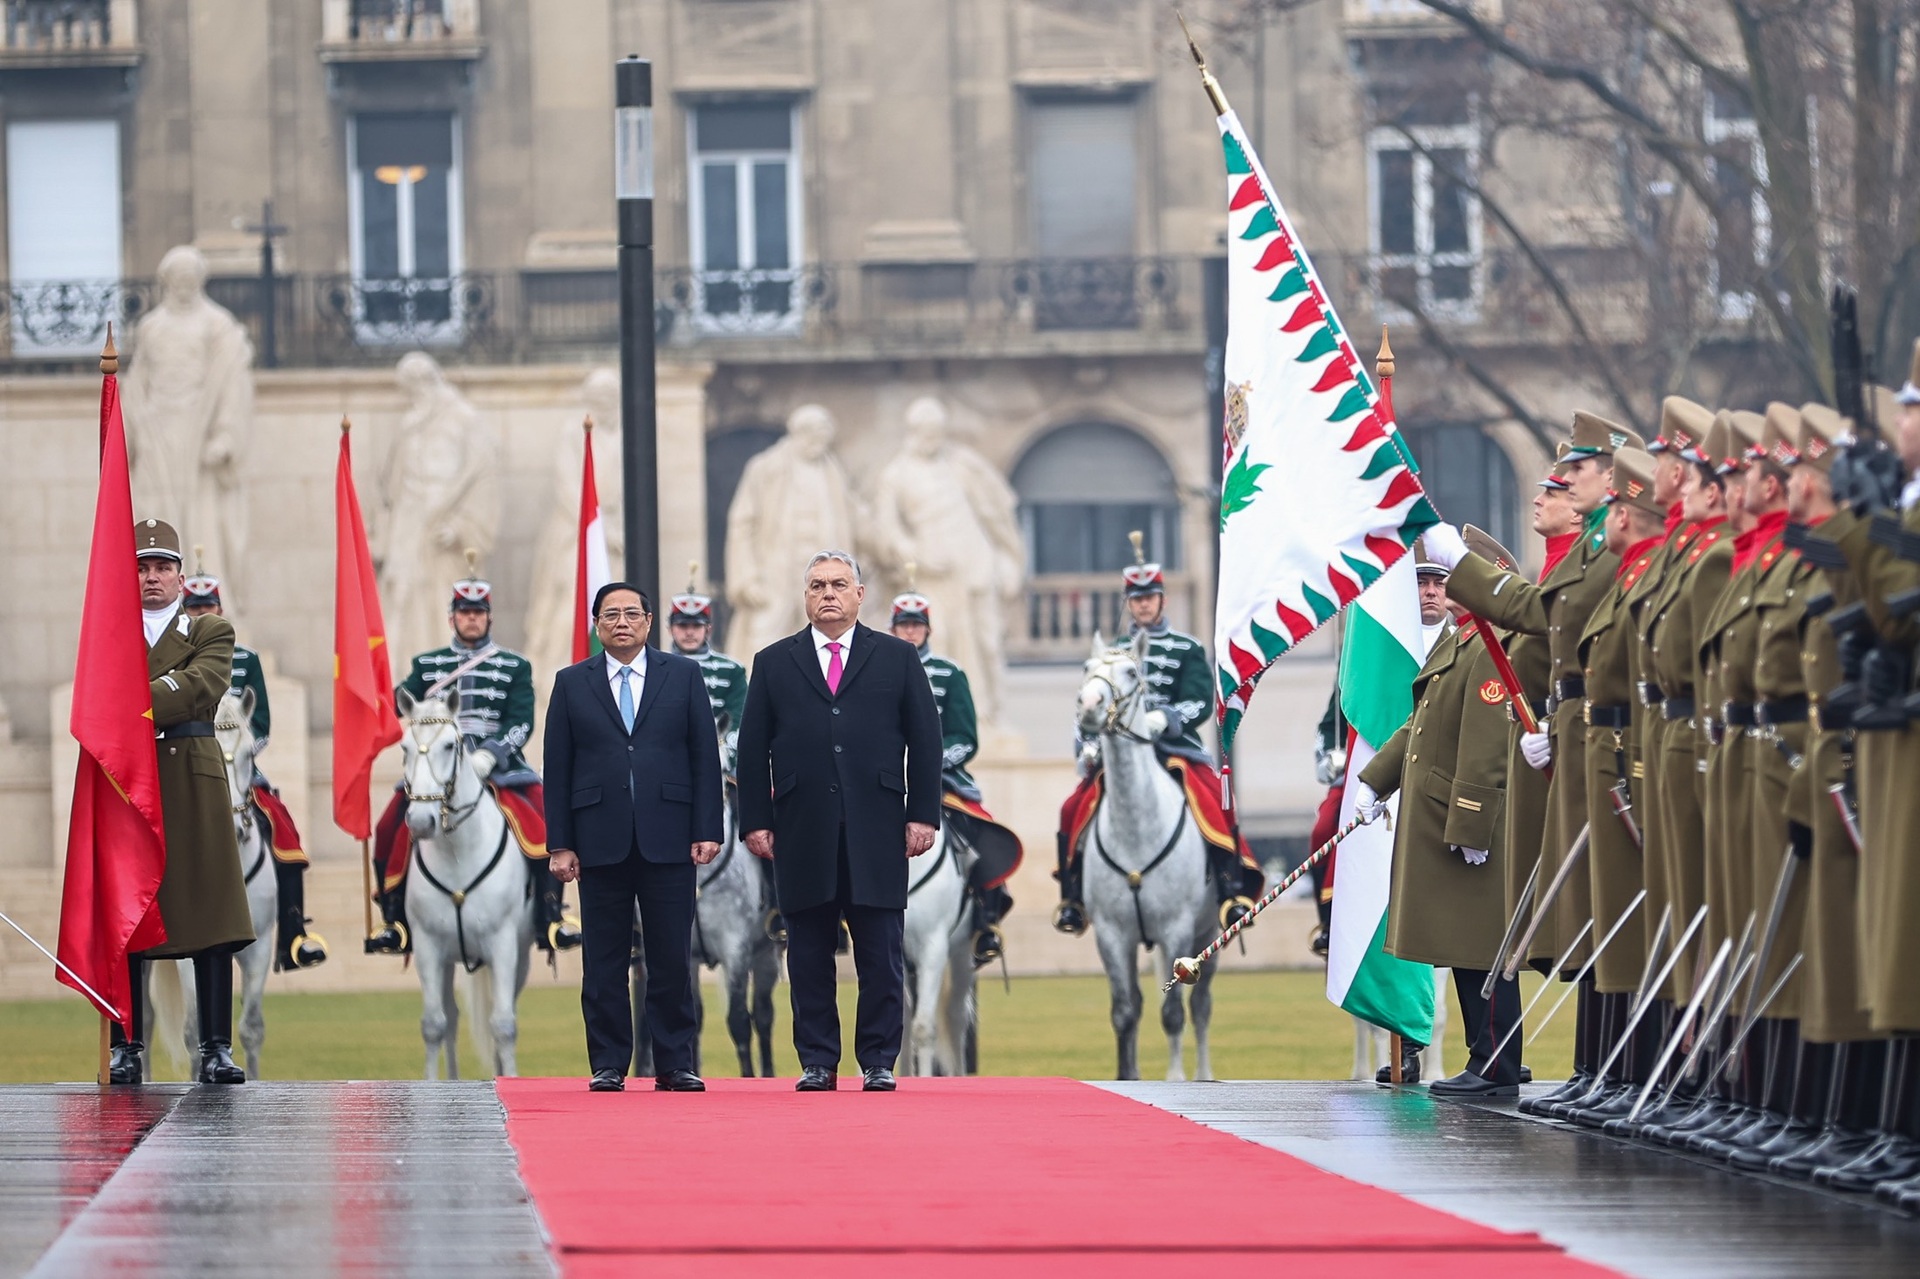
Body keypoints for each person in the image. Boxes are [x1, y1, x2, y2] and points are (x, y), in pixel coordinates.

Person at [1422, 411, 1642, 1117]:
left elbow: (1539, 620)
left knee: (1615, 910)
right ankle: (1601, 1067)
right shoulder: (1585, 555)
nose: (1554, 488)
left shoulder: (1605, 552)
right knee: (1594, 906)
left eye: (1569, 474)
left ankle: (1624, 1071)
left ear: (1612, 478)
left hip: (1617, 742)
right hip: (1576, 736)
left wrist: (1461, 568)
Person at [735, 550, 943, 1092]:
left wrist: (922, 814)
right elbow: (752, 751)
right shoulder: (774, 661)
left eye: (838, 584)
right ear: (804, 596)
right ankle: (818, 1061)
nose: (827, 593)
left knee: (880, 951)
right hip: (802, 828)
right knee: (807, 953)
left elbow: (925, 742)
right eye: (816, 585)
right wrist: (755, 819)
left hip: (877, 827)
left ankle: (878, 1059)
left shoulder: (897, 657)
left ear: (859, 594)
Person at [1352, 536, 1521, 1097]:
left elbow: (1485, 743)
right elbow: (1419, 727)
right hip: (1440, 813)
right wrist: (1376, 779)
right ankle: (1488, 1056)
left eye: (1458, 576)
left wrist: (1472, 821)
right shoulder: (1462, 642)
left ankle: (1496, 1061)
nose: (1445, 586)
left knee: (1479, 944)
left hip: (1466, 816)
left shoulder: (1491, 646)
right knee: (1463, 942)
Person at [543, 583, 725, 1093]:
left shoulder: (683, 675)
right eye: (610, 614)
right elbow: (556, 768)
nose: (621, 622)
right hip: (598, 839)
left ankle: (675, 1063)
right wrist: (560, 841)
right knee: (603, 960)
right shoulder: (571, 682)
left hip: (669, 836)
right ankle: (607, 1063)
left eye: (631, 613)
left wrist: (708, 828)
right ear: (597, 625)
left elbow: (702, 757)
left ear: (648, 621)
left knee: (671, 958)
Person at [1053, 537, 1263, 936]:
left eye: (1150, 597)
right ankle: (1073, 897)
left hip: (1173, 749)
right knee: (1071, 809)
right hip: (1119, 752)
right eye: (1136, 598)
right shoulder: (1111, 651)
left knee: (1215, 803)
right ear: (1128, 602)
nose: (1143, 604)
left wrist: (1165, 719)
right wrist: (1087, 745)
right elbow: (1088, 707)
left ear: (1162, 600)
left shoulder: (1187, 647)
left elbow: (1201, 701)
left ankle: (1229, 889)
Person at [368, 566, 581, 956]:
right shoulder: (427, 665)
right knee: (386, 829)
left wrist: (490, 754)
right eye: (464, 612)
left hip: (498, 767)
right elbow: (397, 705)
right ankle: (393, 918)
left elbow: (521, 721)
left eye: (478, 612)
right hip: (436, 766)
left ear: (488, 617)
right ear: (451, 617)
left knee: (545, 826)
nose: (471, 618)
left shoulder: (514, 666)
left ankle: (550, 917)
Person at [110, 519, 255, 1085]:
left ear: (179, 577)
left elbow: (202, 687)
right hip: (130, 778)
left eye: (162, 568)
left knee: (211, 907)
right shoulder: (112, 635)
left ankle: (216, 1046)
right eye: (142, 568)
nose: (152, 578)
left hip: (192, 778)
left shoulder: (209, 629)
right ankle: (128, 1046)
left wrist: (126, 702)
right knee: (130, 913)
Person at [180, 567, 325, 971]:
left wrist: (240, 753)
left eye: (208, 608)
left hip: (240, 770)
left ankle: (293, 935)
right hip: (186, 771)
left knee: (286, 835)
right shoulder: (169, 659)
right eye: (194, 609)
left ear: (221, 612)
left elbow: (260, 725)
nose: (201, 615)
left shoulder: (246, 661)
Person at [888, 584, 1024, 968]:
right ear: (893, 629)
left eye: (916, 625)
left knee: (977, 833)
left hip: (942, 781)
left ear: (928, 629)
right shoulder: (876, 670)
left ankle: (986, 917)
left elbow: (966, 736)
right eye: (904, 625)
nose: (910, 632)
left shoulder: (950, 674)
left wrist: (931, 763)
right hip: (888, 779)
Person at [666, 571, 773, 933]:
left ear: (708, 628)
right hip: (668, 772)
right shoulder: (654, 668)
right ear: (671, 627)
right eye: (682, 624)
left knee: (766, 821)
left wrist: (722, 752)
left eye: (696, 625)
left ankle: (775, 905)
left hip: (725, 771)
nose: (689, 632)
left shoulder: (730, 670)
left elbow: (742, 719)